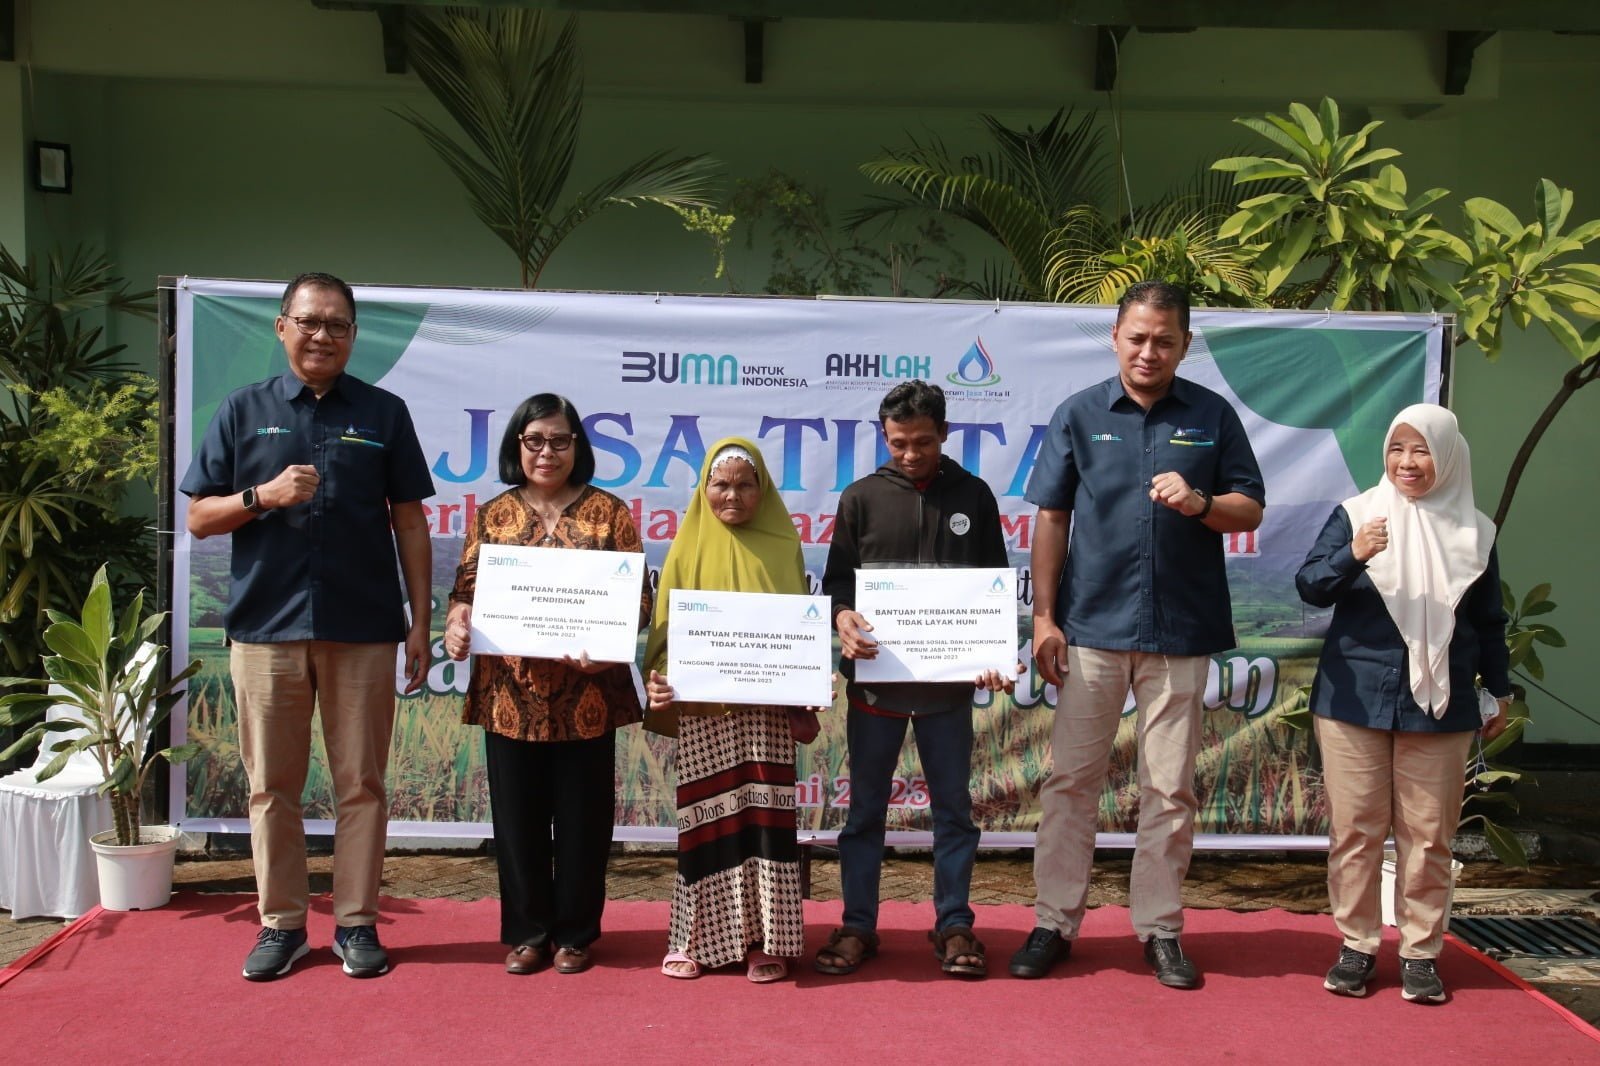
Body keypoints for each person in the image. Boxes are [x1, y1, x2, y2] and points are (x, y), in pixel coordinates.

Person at [1011, 280, 1266, 988]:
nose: (1148, 351)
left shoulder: (1212, 416)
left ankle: (1160, 930)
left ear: (1185, 344)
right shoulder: (1080, 413)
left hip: (1180, 631)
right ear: (1117, 336)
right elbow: (1052, 517)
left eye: (1164, 339)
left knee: (1169, 788)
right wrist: (1044, 618)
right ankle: (1054, 922)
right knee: (1070, 783)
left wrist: (1202, 501)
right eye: (1136, 337)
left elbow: (1249, 509)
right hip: (1090, 628)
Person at [182, 272, 435, 981]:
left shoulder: (385, 413)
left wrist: (420, 621)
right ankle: (284, 925)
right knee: (272, 786)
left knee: (362, 783)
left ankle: (356, 922)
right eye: (310, 321)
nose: (323, 335)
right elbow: (199, 517)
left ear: (354, 336)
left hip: (363, 627)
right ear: (282, 327)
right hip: (265, 627)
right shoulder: (244, 410)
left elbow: (410, 521)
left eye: (339, 325)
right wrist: (262, 496)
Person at [1296, 404, 1510, 1004]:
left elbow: (1489, 622)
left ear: (1446, 457)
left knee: (1428, 835)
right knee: (1356, 831)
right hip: (1353, 699)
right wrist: (1355, 552)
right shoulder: (1358, 516)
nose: (1407, 463)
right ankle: (1357, 946)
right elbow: (1311, 585)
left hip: (1439, 707)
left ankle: (1420, 953)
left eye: (1421, 451)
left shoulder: (1477, 532)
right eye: (1397, 449)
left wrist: (1499, 692)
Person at [442, 394, 649, 976]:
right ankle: (530, 933)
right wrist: (457, 624)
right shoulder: (493, 514)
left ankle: (577, 933)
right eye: (534, 440)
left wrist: (605, 646)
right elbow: (465, 594)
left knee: (585, 821)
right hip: (510, 697)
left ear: (577, 447)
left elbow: (640, 602)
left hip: (589, 695)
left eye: (560, 441)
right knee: (518, 821)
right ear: (517, 446)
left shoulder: (609, 514)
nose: (547, 452)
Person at [815, 380, 1016, 979]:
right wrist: (844, 617)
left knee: (954, 812)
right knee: (864, 815)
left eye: (922, 442)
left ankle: (954, 923)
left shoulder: (974, 496)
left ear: (945, 434)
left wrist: (992, 653)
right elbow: (837, 589)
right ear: (884, 436)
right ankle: (857, 926)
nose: (910, 454)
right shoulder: (860, 498)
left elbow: (994, 590)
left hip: (948, 693)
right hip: (876, 690)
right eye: (899, 443)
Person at [643, 439, 810, 983]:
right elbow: (666, 626)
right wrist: (662, 679)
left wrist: (806, 687)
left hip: (766, 713)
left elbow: (799, 630)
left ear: (762, 489)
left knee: (764, 818)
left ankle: (764, 941)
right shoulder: (687, 545)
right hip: (706, 710)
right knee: (705, 818)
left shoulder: (783, 544)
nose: (732, 494)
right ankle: (694, 937)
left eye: (745, 483)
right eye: (721, 484)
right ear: (703, 489)